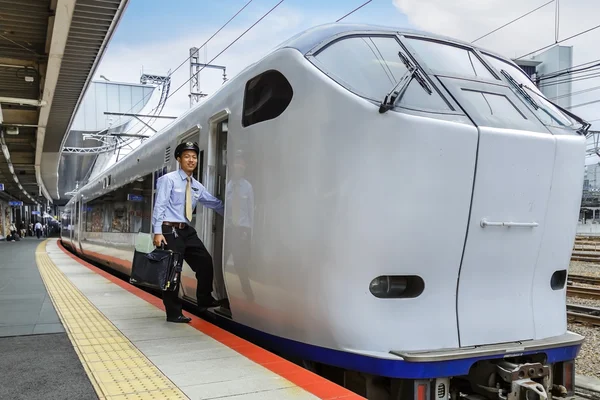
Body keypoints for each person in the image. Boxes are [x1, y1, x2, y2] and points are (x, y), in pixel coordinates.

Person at [151, 141, 225, 323]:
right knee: (172, 272)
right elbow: (159, 206)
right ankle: (173, 313)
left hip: (186, 230)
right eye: (187, 156)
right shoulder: (168, 180)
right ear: (179, 159)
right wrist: (157, 232)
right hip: (169, 230)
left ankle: (204, 298)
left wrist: (238, 213)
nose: (191, 160)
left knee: (205, 262)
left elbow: (214, 203)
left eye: (194, 157)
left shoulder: (196, 186)